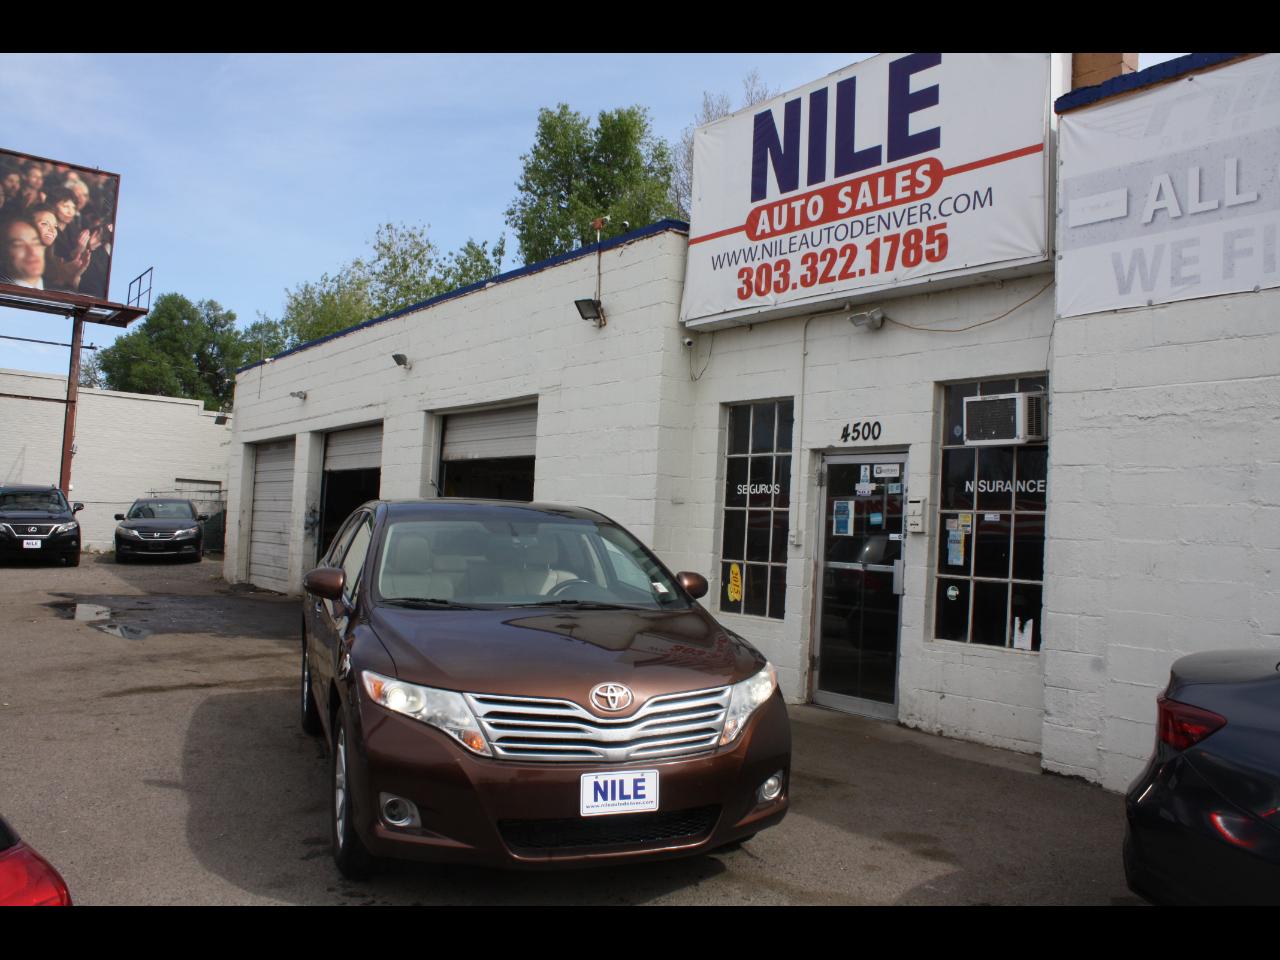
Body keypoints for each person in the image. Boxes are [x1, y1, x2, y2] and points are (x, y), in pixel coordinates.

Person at [0, 217, 47, 288]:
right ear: (3, 253)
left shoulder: (60, 291)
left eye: (36, 243)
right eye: (19, 245)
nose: (32, 252)